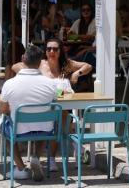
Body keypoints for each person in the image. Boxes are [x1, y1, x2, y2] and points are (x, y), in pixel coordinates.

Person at [0, 44, 57, 181]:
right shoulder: (51, 84)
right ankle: (36, 157)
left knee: (4, 131)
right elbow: (54, 106)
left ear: (22, 59)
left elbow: (3, 109)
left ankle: (20, 168)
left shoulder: (9, 84)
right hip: (45, 129)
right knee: (44, 125)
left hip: (19, 129)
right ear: (40, 62)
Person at [39, 38, 92, 170]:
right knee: (62, 117)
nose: (52, 51)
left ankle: (52, 160)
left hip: (61, 105)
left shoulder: (66, 65)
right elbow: (16, 66)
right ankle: (76, 145)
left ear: (60, 51)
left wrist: (76, 73)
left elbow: (88, 66)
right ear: (45, 51)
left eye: (55, 49)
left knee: (60, 117)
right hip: (43, 106)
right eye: (49, 49)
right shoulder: (40, 65)